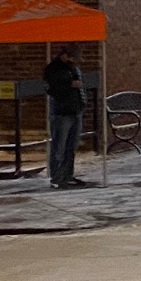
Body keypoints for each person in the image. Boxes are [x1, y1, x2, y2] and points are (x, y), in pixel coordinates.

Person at [45, 45, 88, 188]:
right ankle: (57, 177)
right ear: (64, 55)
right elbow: (52, 89)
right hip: (61, 113)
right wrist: (70, 84)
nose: (74, 62)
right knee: (59, 146)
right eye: (72, 58)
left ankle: (67, 175)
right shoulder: (54, 69)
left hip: (75, 111)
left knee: (71, 146)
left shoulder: (72, 68)